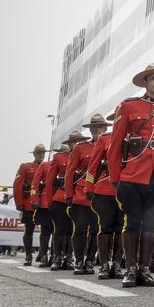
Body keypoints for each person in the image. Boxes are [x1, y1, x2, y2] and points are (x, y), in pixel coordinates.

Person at [108, 63, 154, 288]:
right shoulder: (129, 106)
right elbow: (116, 145)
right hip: (134, 173)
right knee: (132, 223)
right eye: (153, 78)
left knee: (152, 223)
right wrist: (116, 178)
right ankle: (130, 269)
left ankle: (144, 269)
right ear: (145, 83)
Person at [66, 115, 106, 275]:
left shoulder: (111, 143)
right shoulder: (80, 148)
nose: (96, 129)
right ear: (89, 129)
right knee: (80, 229)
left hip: (102, 193)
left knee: (96, 230)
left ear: (105, 128)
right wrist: (68, 196)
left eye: (100, 126)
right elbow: (69, 173)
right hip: (81, 195)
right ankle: (79, 261)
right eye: (94, 127)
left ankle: (90, 260)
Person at [85, 112, 122, 279]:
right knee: (106, 228)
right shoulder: (104, 139)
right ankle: (105, 265)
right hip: (104, 191)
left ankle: (117, 264)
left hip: (125, 190)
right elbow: (92, 168)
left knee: (122, 229)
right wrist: (88, 188)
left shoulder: (133, 138)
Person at [46, 132, 85, 270]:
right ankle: (57, 258)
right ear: (69, 144)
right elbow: (50, 181)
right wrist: (49, 201)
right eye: (74, 141)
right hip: (60, 198)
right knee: (60, 229)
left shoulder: (85, 154)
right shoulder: (59, 157)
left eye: (79, 141)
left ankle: (69, 258)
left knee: (72, 230)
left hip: (78, 197)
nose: (76, 144)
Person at [13, 143, 46, 265]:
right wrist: (19, 203)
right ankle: (28, 255)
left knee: (45, 229)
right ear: (34, 154)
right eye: (38, 153)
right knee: (28, 230)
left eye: (42, 153)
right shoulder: (25, 166)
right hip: (28, 204)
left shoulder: (48, 166)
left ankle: (42, 254)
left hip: (43, 203)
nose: (40, 155)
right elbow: (18, 185)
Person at [29, 150, 55, 267]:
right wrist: (34, 199)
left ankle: (55, 257)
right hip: (45, 203)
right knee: (45, 231)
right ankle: (44, 256)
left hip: (62, 202)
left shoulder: (73, 163)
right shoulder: (45, 165)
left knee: (59, 232)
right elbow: (35, 184)